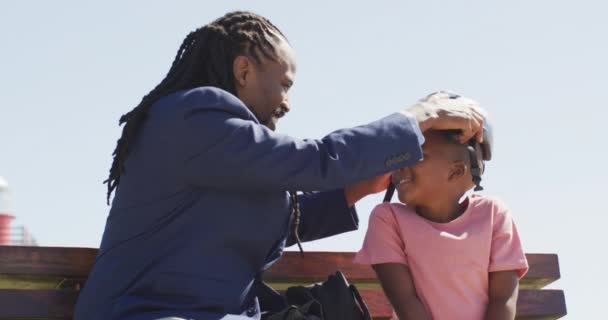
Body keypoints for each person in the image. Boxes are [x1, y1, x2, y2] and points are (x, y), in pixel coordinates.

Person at [74, 11, 486, 320]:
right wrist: (418, 117)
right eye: (285, 83)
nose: (288, 102)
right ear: (243, 70)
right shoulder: (194, 116)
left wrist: (357, 187)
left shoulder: (225, 152)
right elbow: (312, 160)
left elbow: (282, 217)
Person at [354, 128, 529, 320]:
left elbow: (503, 299)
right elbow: (405, 301)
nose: (400, 166)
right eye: (400, 157)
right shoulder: (387, 218)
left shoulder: (493, 213)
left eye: (415, 156)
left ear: (455, 171)